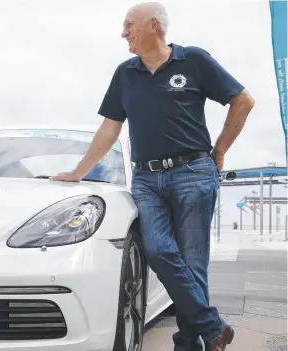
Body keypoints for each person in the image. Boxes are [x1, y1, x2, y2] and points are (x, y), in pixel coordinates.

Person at [51, 2, 254, 351]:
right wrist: (78, 172)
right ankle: (213, 327)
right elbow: (109, 128)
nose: (123, 32)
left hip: (193, 173)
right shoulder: (125, 73)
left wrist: (219, 150)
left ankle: (188, 344)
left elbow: (243, 100)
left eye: (129, 24)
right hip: (147, 180)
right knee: (157, 251)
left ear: (154, 26)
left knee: (193, 265)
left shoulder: (193, 60)